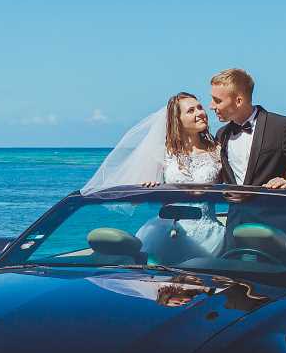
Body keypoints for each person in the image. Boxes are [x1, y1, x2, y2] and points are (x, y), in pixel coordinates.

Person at [82, 92, 225, 261]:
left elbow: (231, 187)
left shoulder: (218, 151)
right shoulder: (162, 153)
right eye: (191, 110)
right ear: (177, 120)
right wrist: (149, 188)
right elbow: (135, 201)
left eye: (200, 108)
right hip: (168, 233)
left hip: (209, 235)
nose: (200, 113)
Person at [208, 68, 286, 191]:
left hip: (271, 203)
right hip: (233, 205)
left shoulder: (281, 127)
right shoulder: (222, 134)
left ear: (239, 101)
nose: (211, 106)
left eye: (217, 101)